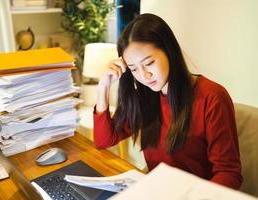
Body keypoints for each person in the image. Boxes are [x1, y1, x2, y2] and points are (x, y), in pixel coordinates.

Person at [93, 13, 242, 189]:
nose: (144, 76)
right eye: (133, 69)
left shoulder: (212, 97)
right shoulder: (144, 96)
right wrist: (103, 86)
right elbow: (104, 141)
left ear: (169, 51)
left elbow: (229, 173)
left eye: (149, 63)